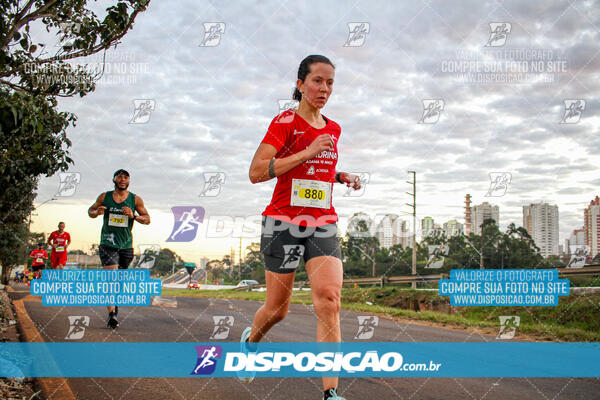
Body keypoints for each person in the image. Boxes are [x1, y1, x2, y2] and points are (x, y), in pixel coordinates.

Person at [244, 55, 361, 400]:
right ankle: (250, 344)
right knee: (277, 310)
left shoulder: (333, 128)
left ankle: (331, 393)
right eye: (317, 81)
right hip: (282, 222)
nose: (324, 89)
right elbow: (256, 172)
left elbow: (318, 174)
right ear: (300, 84)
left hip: (322, 223)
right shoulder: (284, 122)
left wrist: (342, 176)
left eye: (330, 83)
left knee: (330, 300)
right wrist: (307, 151)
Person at [88, 169, 150, 329]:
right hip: (107, 243)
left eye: (126, 177)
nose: (122, 179)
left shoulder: (135, 199)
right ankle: (112, 314)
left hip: (126, 246)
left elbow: (147, 219)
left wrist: (134, 216)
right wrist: (97, 212)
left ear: (129, 181)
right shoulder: (105, 196)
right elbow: (91, 211)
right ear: (114, 179)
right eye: (120, 177)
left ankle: (114, 307)